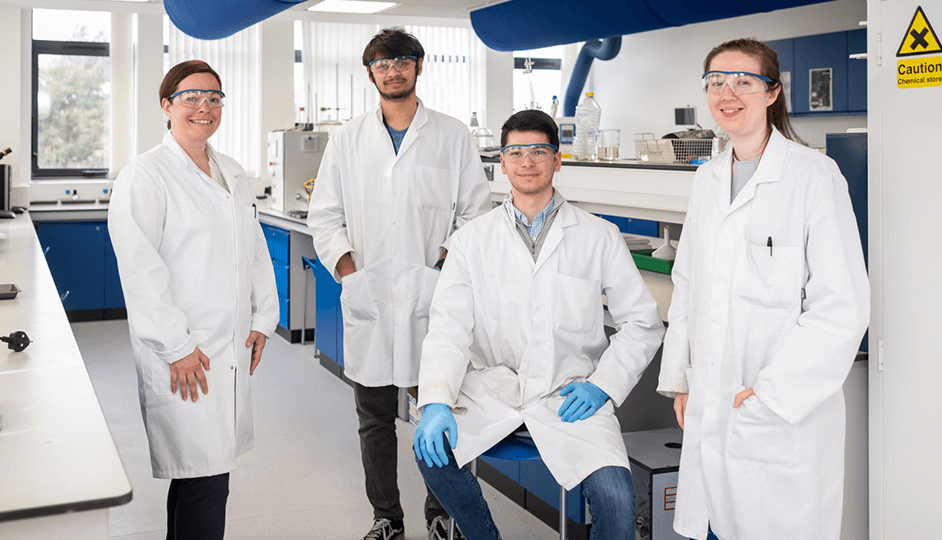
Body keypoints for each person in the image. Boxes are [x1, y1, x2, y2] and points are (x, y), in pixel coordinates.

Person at [413, 109, 665, 540]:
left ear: (557, 160)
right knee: (430, 453)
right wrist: (436, 399)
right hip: (494, 391)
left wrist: (602, 385)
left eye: (539, 151)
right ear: (503, 163)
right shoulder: (471, 241)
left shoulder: (598, 236)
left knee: (617, 500)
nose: (527, 161)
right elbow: (449, 327)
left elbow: (642, 322)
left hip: (570, 395)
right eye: (516, 152)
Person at [656, 38, 870, 540]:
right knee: (712, 525)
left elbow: (841, 307)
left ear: (772, 93)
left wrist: (772, 395)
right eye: (716, 81)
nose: (727, 92)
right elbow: (688, 285)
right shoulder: (707, 178)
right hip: (711, 401)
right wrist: (681, 378)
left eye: (743, 81)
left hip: (775, 412)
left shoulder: (814, 176)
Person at [306, 28, 491, 540]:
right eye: (382, 63)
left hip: (434, 300)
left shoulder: (452, 135)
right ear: (370, 73)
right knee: (375, 417)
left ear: (419, 66)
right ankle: (386, 518)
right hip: (370, 298)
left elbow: (475, 216)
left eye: (402, 60)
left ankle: (442, 513)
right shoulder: (347, 138)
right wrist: (350, 274)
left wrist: (441, 271)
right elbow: (325, 216)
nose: (393, 70)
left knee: (440, 409)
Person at [108, 60, 280, 540]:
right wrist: (176, 345)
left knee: (202, 476)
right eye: (191, 97)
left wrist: (264, 318)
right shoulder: (145, 175)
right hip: (185, 352)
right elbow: (141, 271)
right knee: (205, 479)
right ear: (167, 105)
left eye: (214, 99)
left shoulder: (231, 171)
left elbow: (253, 248)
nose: (204, 108)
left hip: (227, 346)